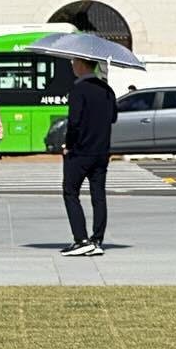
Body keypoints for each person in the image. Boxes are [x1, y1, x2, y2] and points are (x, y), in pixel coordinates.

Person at [60, 56, 118, 256]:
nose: (72, 66)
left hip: (81, 150)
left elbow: (74, 122)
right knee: (98, 196)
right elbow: (113, 118)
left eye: (73, 62)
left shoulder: (78, 89)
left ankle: (81, 239)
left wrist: (69, 145)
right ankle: (97, 239)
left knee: (70, 192)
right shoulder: (107, 89)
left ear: (82, 64)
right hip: (102, 150)